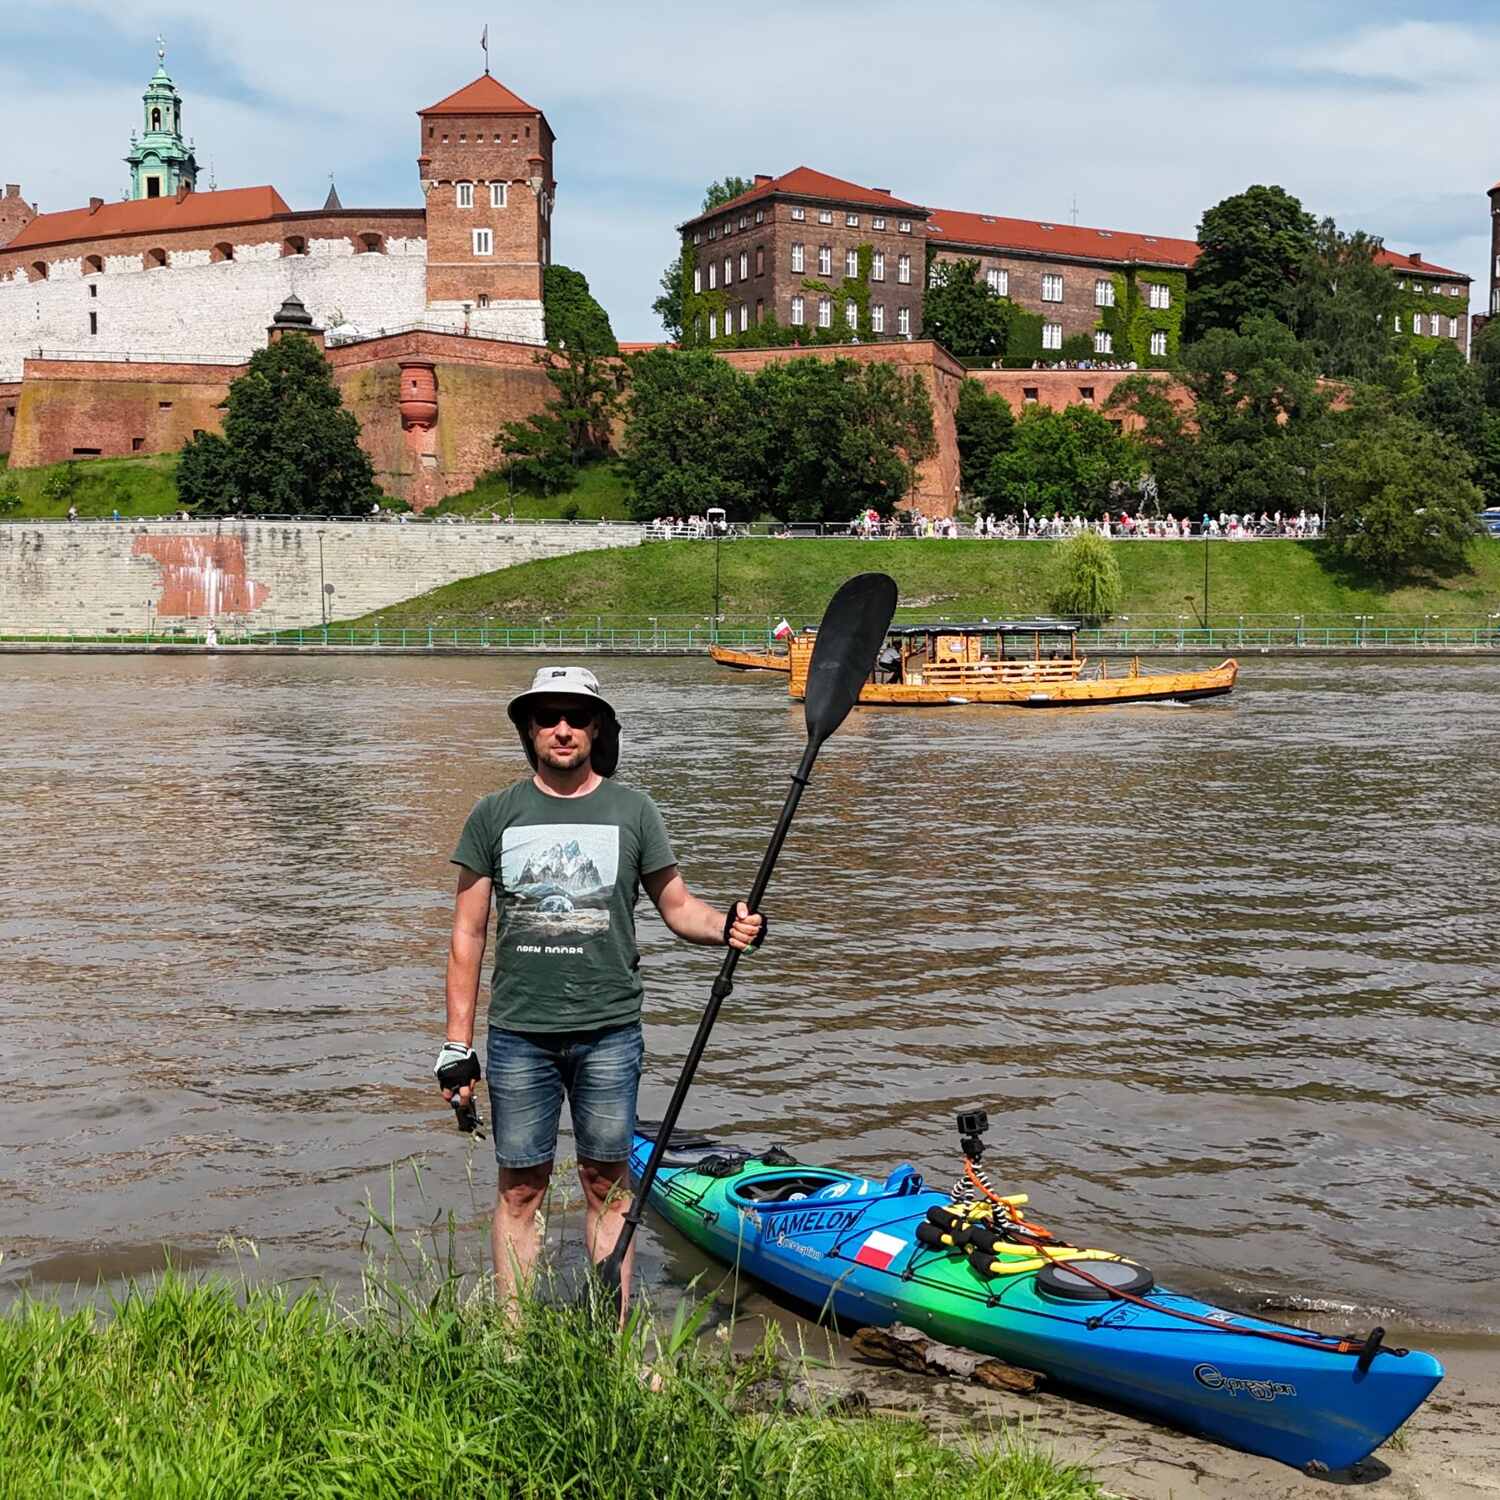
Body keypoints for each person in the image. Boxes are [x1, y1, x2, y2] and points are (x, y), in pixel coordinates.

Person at [437, 666, 764, 1313]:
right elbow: (467, 935)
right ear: (530, 729)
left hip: (610, 1033)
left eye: (577, 717)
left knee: (606, 1186)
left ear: (597, 730)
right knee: (519, 1191)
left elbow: (678, 908)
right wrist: (455, 1045)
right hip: (519, 1035)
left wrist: (726, 924)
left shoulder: (632, 810)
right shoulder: (493, 814)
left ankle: (609, 1345)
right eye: (548, 716)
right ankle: (512, 1346)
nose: (563, 729)